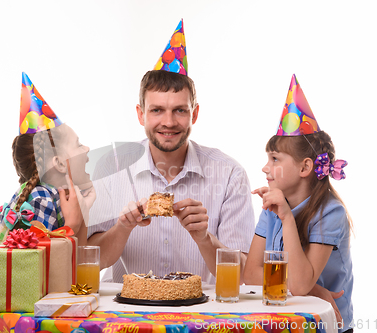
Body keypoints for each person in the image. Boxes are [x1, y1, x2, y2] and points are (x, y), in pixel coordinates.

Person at [87, 19, 255, 284]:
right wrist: (123, 227)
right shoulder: (111, 167)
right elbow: (91, 260)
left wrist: (204, 238)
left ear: (194, 114)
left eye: (180, 110)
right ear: (141, 114)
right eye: (157, 110)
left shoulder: (230, 174)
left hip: (200, 315)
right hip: (128, 312)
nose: (168, 122)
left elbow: (244, 273)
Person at [0, 73, 95, 333]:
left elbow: (73, 271)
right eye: (79, 145)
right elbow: (51, 282)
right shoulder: (41, 200)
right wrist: (72, 223)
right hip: (8, 324)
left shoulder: (44, 194)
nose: (88, 149)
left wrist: (83, 214)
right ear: (58, 163)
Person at [243, 74, 353, 333]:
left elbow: (300, 284)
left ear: (305, 167)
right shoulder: (273, 205)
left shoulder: (330, 212)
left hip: (324, 326)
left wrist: (286, 217)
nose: (265, 167)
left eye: (275, 159)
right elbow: (250, 274)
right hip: (283, 322)